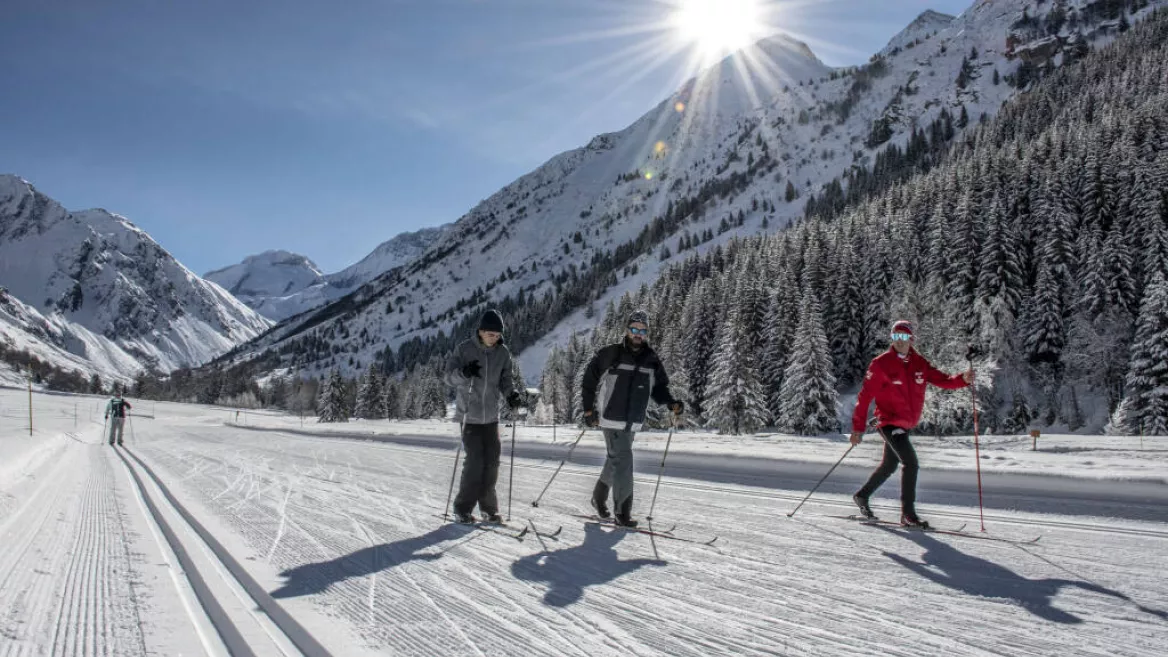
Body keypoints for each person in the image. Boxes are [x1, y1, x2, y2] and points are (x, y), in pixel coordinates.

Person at [850, 320, 974, 528]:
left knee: (889, 465)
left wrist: (963, 379)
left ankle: (862, 496)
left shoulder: (919, 363)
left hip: (905, 424)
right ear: (892, 338)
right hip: (888, 422)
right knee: (911, 463)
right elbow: (864, 398)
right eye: (896, 336)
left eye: (904, 336)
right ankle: (908, 515)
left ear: (911, 339)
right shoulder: (881, 364)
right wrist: (857, 428)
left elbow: (943, 380)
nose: (900, 340)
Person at [581, 310, 683, 528]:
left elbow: (659, 388)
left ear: (646, 333)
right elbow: (590, 379)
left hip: (633, 420)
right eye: (634, 329)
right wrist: (589, 411)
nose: (638, 334)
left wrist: (671, 403)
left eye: (642, 330)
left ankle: (598, 497)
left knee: (615, 459)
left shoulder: (652, 359)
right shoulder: (612, 353)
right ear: (626, 330)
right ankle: (622, 512)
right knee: (623, 460)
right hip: (611, 417)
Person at [444, 309, 524, 524]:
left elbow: (506, 380)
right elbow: (448, 378)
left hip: (491, 417)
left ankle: (488, 509)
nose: (493, 338)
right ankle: (462, 508)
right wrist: (464, 373)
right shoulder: (464, 349)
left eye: (497, 335)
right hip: (468, 415)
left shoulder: (503, 353)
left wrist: (511, 394)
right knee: (475, 463)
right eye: (490, 334)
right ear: (480, 331)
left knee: (492, 464)